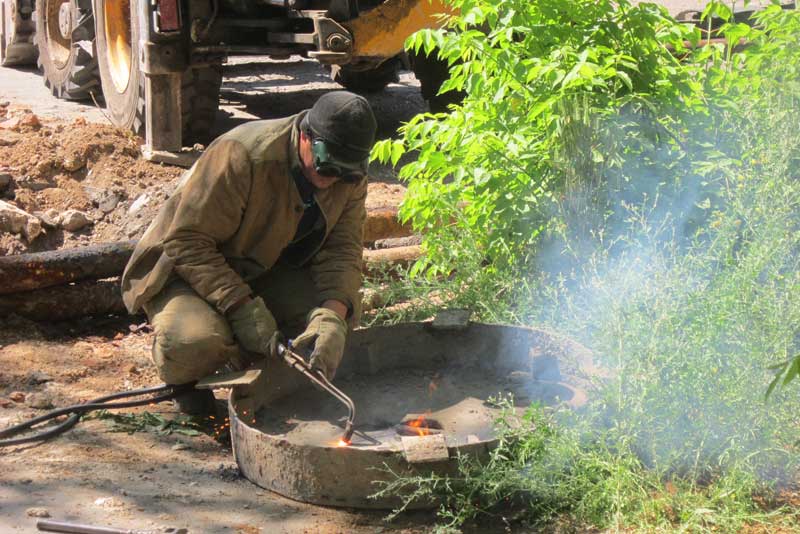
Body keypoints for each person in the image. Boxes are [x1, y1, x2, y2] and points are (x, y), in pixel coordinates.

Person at [120, 91, 377, 413]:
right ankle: (185, 380)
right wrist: (242, 309)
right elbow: (186, 242)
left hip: (265, 267)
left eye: (346, 173)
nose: (334, 180)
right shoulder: (243, 154)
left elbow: (343, 250)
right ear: (306, 137)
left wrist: (332, 316)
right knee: (194, 342)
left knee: (328, 331)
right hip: (189, 271)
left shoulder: (349, 173)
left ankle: (263, 362)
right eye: (327, 168)